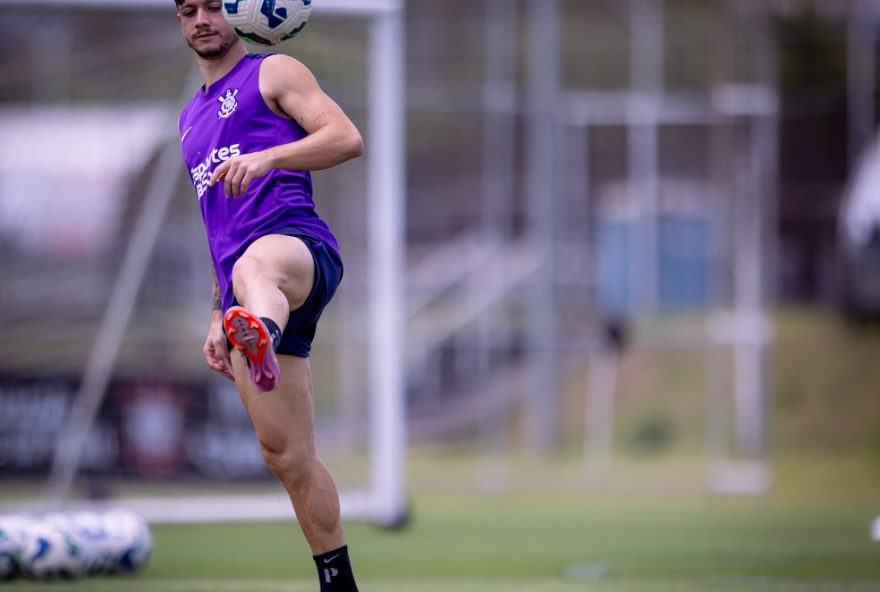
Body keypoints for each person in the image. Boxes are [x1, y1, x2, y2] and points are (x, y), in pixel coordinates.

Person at [174, 1, 364, 590]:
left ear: (239, 12)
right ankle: (339, 583)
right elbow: (217, 227)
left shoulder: (273, 71)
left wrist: (269, 157)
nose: (202, 19)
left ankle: (262, 332)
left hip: (298, 250)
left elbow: (346, 138)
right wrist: (217, 312)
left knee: (257, 265)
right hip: (242, 291)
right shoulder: (188, 120)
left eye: (213, 6)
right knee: (288, 458)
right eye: (187, 10)